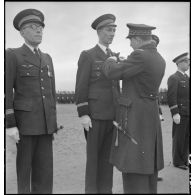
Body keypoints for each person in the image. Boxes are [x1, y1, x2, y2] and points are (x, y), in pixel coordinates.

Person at [101, 23, 165, 193]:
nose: (130, 44)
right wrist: (126, 62)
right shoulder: (158, 57)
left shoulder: (139, 55)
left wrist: (111, 59)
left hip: (135, 118)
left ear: (137, 39)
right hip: (149, 116)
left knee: (133, 165)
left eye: (131, 40)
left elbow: (112, 72)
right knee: (148, 168)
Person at [5, 9, 58, 194]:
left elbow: (51, 93)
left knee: (45, 174)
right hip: (25, 125)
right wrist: (10, 123)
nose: (39, 31)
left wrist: (52, 124)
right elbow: (6, 91)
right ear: (22, 32)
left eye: (41, 27)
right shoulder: (12, 55)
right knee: (24, 173)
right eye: (33, 27)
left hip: (45, 126)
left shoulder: (47, 58)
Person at [75, 14, 120, 193]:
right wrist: (83, 113)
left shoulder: (114, 55)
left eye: (114, 30)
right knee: (93, 159)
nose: (112, 34)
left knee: (108, 159)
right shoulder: (88, 55)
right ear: (99, 31)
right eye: (109, 30)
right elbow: (81, 85)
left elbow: (116, 86)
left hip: (112, 115)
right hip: (95, 115)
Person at [167, 52, 190, 170]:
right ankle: (177, 161)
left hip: (189, 112)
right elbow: (171, 96)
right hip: (180, 113)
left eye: (188, 61)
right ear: (179, 63)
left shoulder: (188, 78)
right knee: (179, 138)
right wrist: (175, 112)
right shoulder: (174, 78)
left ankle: (185, 160)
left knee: (187, 137)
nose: (189, 63)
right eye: (186, 61)